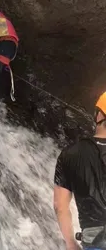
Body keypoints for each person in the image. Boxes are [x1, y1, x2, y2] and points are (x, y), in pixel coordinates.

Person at [54, 91, 106, 250]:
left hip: (94, 240)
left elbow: (60, 206)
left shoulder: (71, 153)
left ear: (98, 116)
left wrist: (70, 243)